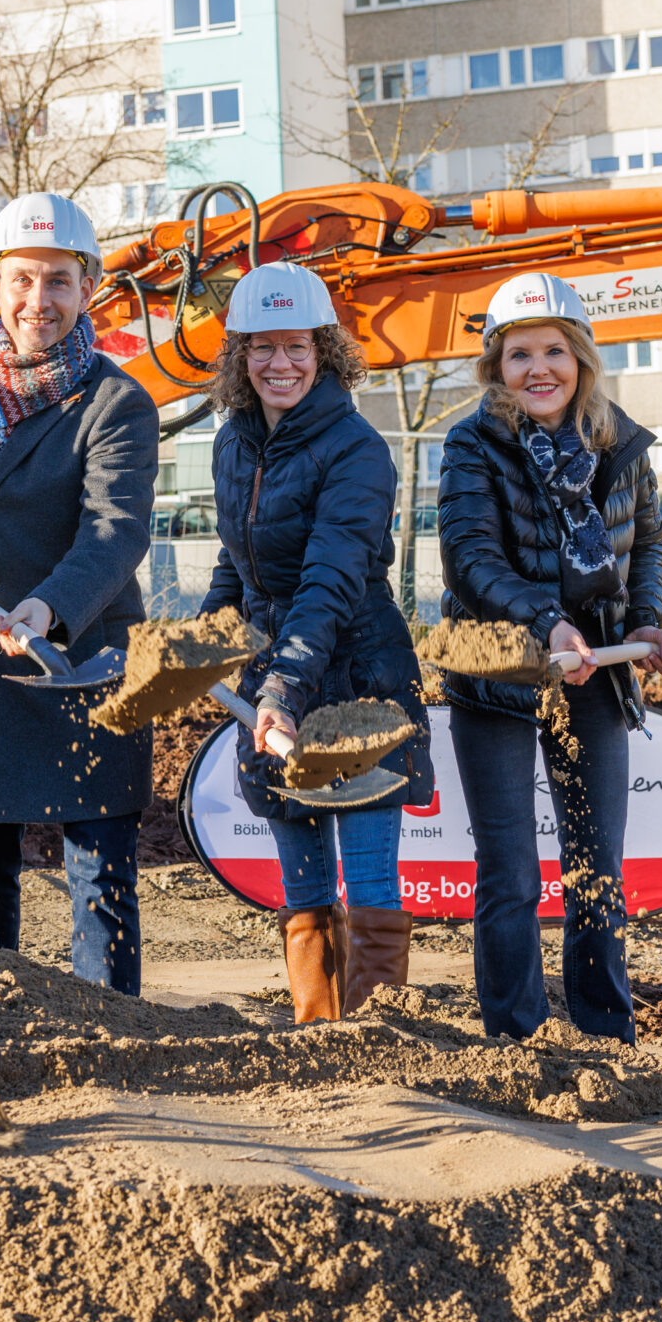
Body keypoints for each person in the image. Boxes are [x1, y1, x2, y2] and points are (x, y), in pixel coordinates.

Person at [0, 192, 158, 995]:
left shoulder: (117, 402)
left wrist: (49, 606)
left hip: (83, 652)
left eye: (56, 281)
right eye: (21, 280)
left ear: (88, 290)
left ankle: (113, 1033)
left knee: (98, 870)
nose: (37, 301)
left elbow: (114, 532)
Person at [436, 272, 662, 1044]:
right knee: (508, 872)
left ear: (580, 357)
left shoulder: (622, 443)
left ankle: (606, 1035)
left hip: (597, 675)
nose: (537, 369)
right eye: (517, 355)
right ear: (495, 367)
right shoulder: (473, 443)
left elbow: (650, 544)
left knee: (597, 868)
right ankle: (516, 1037)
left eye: (552, 351)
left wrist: (648, 625)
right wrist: (548, 626)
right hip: (501, 674)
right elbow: (469, 556)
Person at [200, 262, 433, 1023]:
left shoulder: (358, 450)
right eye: (261, 347)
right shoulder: (233, 443)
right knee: (301, 881)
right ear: (239, 357)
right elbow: (236, 565)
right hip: (281, 678)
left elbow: (330, 582)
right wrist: (206, 641)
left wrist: (281, 690)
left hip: (359, 679)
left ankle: (381, 1044)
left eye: (297, 345)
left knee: (366, 877)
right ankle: (317, 1029)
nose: (281, 364)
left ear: (326, 350)